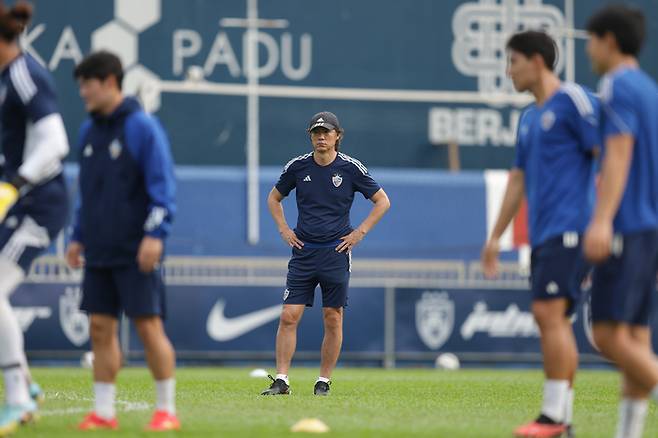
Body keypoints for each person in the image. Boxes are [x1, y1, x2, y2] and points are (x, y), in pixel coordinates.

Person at [481, 31, 599, 437]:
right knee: (557, 320)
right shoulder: (529, 118)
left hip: (573, 229)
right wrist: (496, 236)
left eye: (513, 62)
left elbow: (611, 155)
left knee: (548, 314)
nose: (508, 71)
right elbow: (517, 179)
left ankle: (553, 417)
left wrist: (605, 219)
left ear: (536, 60)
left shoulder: (574, 101)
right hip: (544, 233)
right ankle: (561, 419)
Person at [66, 51, 179, 431]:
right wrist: (77, 236)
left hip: (136, 249)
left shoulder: (142, 127)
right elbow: (87, 193)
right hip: (98, 250)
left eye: (87, 84)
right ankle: (104, 413)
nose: (82, 92)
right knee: (100, 328)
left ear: (110, 82)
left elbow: (163, 188)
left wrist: (154, 235)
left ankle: (166, 411)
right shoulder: (87, 132)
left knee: (148, 327)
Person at [262, 111, 390, 396]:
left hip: (335, 252)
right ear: (310, 136)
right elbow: (274, 198)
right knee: (288, 315)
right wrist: (284, 229)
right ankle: (281, 380)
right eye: (316, 132)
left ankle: (324, 381)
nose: (321, 137)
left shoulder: (350, 168)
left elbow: (382, 201)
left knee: (333, 316)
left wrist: (360, 233)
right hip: (303, 252)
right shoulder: (297, 167)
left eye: (327, 132)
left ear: (337, 136)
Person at [583, 6, 658, 438]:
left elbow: (618, 153)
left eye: (591, 40)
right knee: (637, 336)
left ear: (608, 40)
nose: (589, 49)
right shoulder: (648, 88)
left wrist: (602, 220)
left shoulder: (617, 86)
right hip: (648, 227)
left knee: (608, 335)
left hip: (626, 225)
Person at [0, 2, 70, 436]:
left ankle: (17, 398)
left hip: (38, 203)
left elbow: (56, 142)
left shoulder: (25, 74)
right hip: (18, 201)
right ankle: (25, 384)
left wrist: (15, 185)